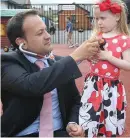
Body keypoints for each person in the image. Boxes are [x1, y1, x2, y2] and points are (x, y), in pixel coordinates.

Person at [1, 10, 100, 137]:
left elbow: (75, 100)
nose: (48, 36)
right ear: (21, 42)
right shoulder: (8, 63)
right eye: (40, 33)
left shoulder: (58, 63)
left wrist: (72, 122)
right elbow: (31, 85)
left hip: (59, 133)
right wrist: (74, 57)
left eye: (46, 30)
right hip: (23, 133)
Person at [79, 0, 130, 137]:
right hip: (93, 83)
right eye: (96, 19)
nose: (99, 22)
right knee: (89, 114)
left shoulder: (124, 39)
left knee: (109, 116)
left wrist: (109, 57)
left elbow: (128, 65)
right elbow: (87, 55)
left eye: (102, 18)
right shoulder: (96, 37)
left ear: (117, 17)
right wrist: (90, 57)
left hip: (111, 86)